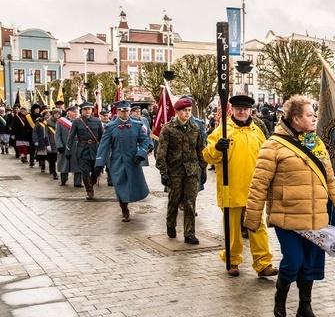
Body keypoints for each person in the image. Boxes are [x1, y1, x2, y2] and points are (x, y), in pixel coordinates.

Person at [244, 95, 335, 317]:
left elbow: (330, 180)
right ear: (295, 118)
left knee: (309, 264)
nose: (314, 118)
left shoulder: (316, 143)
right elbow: (259, 184)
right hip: (286, 217)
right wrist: (251, 218)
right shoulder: (273, 145)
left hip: (316, 216)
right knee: (294, 261)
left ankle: (304, 308)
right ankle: (281, 295)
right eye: (310, 115)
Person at [203, 95, 278, 277]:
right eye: (238, 109)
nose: (242, 112)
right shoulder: (223, 131)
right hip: (232, 188)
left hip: (253, 189)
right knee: (233, 229)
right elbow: (208, 156)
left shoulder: (257, 132)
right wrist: (217, 148)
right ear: (233, 110)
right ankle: (232, 260)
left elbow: (267, 157)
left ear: (250, 111)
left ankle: (263, 263)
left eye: (245, 109)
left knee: (257, 226)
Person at [156, 97, 207, 243]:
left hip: (191, 170)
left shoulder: (195, 127)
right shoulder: (168, 128)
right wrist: (163, 172)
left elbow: (200, 149)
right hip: (175, 170)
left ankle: (189, 233)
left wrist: (203, 169)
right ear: (177, 111)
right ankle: (171, 224)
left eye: (189, 111)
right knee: (174, 200)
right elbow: (161, 152)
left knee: (190, 202)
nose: (187, 113)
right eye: (184, 111)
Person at [94, 101, 150, 222]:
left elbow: (145, 141)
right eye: (122, 111)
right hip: (117, 161)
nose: (125, 113)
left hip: (133, 160)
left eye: (127, 110)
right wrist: (99, 163)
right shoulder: (110, 127)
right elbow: (104, 146)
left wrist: (141, 154)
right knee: (120, 185)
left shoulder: (137, 125)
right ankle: (124, 209)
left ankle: (129, 201)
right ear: (118, 111)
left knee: (134, 184)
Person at [65, 102, 103, 200]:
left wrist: (104, 150)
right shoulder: (77, 122)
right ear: (81, 110)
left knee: (96, 171)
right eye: (85, 109)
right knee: (85, 171)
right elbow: (71, 137)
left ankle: (90, 184)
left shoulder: (97, 121)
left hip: (95, 149)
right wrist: (68, 150)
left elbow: (102, 137)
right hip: (83, 150)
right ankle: (89, 191)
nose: (87, 111)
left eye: (89, 109)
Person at [55, 106, 81, 187]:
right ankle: (63, 180)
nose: (76, 113)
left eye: (77, 111)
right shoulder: (61, 121)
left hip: (77, 147)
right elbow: (57, 135)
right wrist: (59, 145)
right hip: (65, 146)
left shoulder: (80, 121)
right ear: (68, 112)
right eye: (74, 111)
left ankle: (78, 182)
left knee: (78, 165)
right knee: (64, 164)